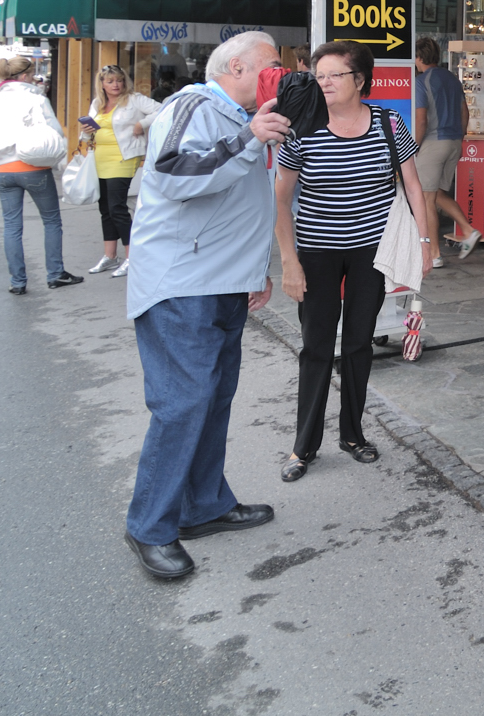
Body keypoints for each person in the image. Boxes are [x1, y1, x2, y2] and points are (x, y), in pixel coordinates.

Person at [122, 30, 290, 580]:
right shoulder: (193, 106)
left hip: (220, 282)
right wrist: (249, 138)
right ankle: (150, 526)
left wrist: (254, 272)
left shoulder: (241, 118)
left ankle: (204, 505)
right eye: (270, 64)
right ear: (236, 67)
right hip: (182, 285)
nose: (279, 73)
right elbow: (173, 174)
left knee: (212, 399)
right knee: (184, 404)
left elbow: (241, 206)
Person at [273, 42, 427, 483]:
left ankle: (353, 435)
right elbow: (280, 200)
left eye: (334, 75)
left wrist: (424, 243)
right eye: (319, 75)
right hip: (317, 251)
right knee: (316, 346)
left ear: (359, 80)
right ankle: (304, 445)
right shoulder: (301, 128)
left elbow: (413, 186)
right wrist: (289, 262)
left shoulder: (388, 122)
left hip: (371, 252)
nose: (323, 83)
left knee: (359, 343)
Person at [0, 55, 79, 295]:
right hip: (33, 168)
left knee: (12, 226)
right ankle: (55, 274)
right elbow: (53, 131)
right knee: (51, 221)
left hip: (2, 170)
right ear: (24, 76)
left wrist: (0, 154)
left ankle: (17, 282)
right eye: (31, 75)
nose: (34, 79)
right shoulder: (36, 99)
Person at [79, 64, 161, 279]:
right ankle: (110, 256)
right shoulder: (97, 103)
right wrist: (86, 132)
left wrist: (142, 124)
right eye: (110, 81)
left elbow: (164, 109)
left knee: (117, 207)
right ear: (102, 84)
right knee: (105, 208)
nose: (116, 85)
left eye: (119, 80)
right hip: (99, 158)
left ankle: (132, 258)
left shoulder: (134, 99)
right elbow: (88, 136)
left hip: (124, 156)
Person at [412, 38, 480, 269]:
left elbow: (421, 120)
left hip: (433, 143)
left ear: (419, 57)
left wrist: (414, 147)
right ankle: (469, 230)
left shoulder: (421, 82)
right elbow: (465, 112)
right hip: (453, 142)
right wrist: (459, 138)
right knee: (438, 194)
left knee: (426, 199)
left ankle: (434, 254)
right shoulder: (452, 78)